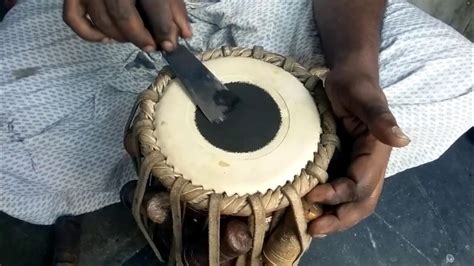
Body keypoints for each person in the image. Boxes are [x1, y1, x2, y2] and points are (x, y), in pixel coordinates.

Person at [0, 0, 472, 264]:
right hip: (132, 25)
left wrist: (356, 68)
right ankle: (162, 197)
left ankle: (220, 206)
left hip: (288, 12)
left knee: (459, 77)